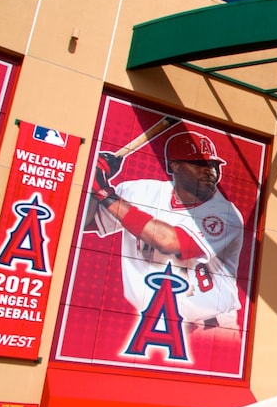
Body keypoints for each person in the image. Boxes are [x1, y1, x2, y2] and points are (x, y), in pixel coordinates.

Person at [85, 130, 245, 333]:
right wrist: (93, 182)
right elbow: (84, 221)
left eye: (213, 165)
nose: (210, 171)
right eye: (200, 163)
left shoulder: (225, 213)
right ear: (174, 166)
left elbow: (170, 242)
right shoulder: (140, 192)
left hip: (210, 328)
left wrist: (104, 192)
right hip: (150, 322)